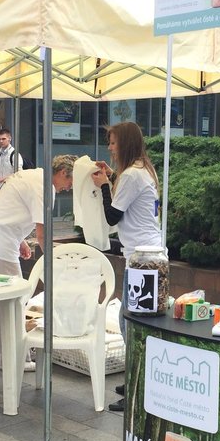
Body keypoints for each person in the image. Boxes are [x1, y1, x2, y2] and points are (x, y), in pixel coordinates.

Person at [0, 154, 77, 369]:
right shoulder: (45, 187)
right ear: (64, 173)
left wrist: (19, 240)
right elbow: (43, 232)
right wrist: (55, 262)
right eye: (71, 181)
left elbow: (11, 208)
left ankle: (11, 357)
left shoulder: (33, 175)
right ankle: (16, 359)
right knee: (13, 303)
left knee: (6, 304)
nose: (70, 187)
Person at [90, 121, 161, 412]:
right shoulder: (141, 170)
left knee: (132, 325)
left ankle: (138, 389)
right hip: (146, 256)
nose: (109, 147)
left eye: (113, 142)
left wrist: (105, 185)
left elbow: (112, 216)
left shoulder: (132, 175)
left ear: (126, 144)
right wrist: (112, 176)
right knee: (130, 320)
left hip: (144, 259)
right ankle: (137, 379)